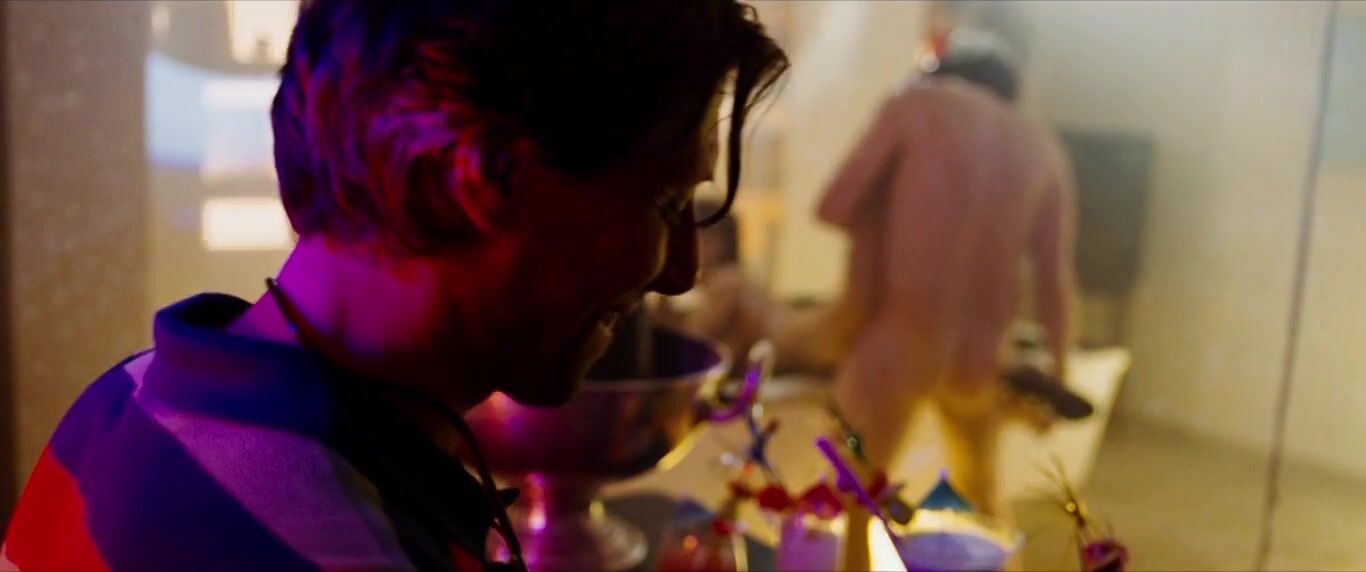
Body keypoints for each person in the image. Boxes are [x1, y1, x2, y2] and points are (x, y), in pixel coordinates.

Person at [0, 1, 787, 570]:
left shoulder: (119, 400)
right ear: (469, 178)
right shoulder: (330, 547)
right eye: (663, 203)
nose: (682, 271)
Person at [819, 31, 1078, 569]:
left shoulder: (917, 102)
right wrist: (1058, 373)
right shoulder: (1040, 146)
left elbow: (835, 204)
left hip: (901, 339)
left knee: (855, 503)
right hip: (982, 356)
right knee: (983, 498)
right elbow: (1055, 281)